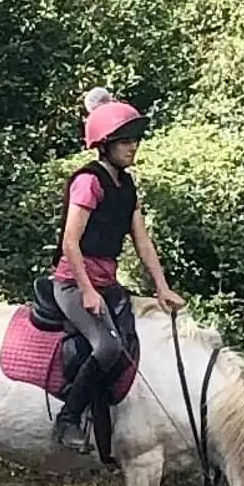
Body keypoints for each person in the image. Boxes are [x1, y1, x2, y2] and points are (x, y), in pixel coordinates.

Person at [50, 86, 186, 452]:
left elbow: (142, 241)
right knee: (107, 348)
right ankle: (68, 419)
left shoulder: (126, 186)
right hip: (72, 284)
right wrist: (88, 290)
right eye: (124, 141)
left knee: (130, 343)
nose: (133, 147)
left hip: (109, 283)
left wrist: (161, 286)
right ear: (105, 144)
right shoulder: (88, 182)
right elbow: (70, 243)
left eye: (134, 140)